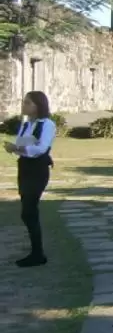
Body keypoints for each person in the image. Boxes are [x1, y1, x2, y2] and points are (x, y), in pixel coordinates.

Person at [4, 91, 56, 267]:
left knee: (29, 210)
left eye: (27, 103)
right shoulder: (26, 124)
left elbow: (41, 148)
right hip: (24, 168)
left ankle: (37, 254)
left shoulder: (47, 124)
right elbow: (21, 143)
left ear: (37, 105)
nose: (24, 105)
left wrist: (20, 148)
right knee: (27, 210)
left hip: (38, 169)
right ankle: (36, 252)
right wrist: (14, 148)